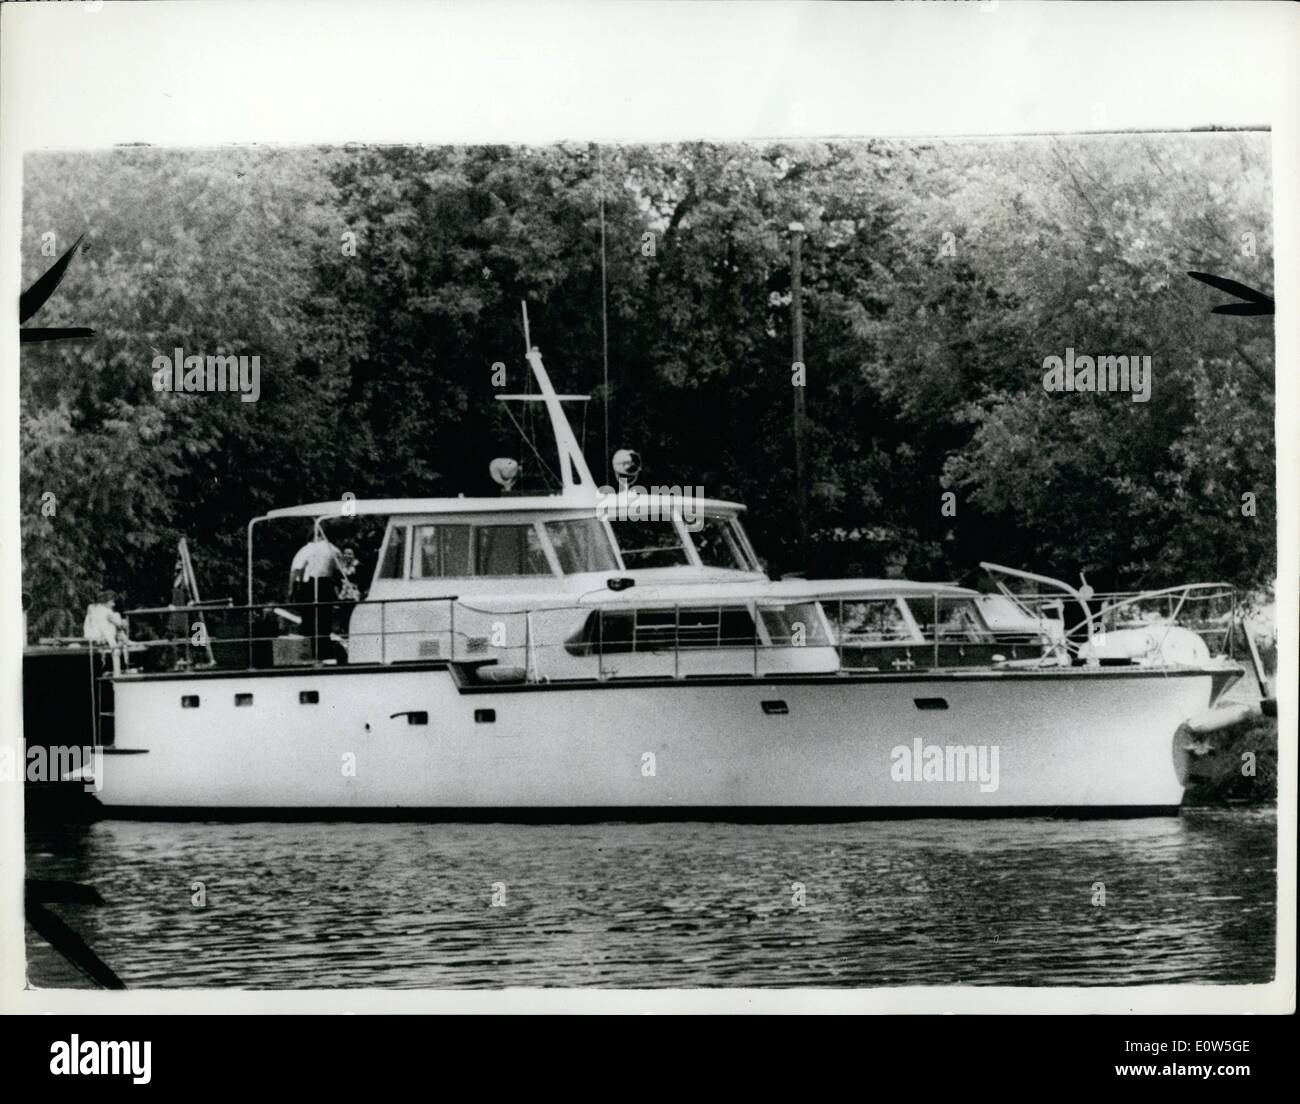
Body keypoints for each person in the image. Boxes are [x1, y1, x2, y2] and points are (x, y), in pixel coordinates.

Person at [289, 532, 342, 660]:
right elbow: (339, 569)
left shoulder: (307, 549)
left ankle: (310, 652)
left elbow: (296, 570)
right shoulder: (333, 549)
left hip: (311, 585)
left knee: (308, 620)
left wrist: (291, 590)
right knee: (324, 620)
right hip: (326, 584)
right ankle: (324, 652)